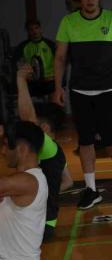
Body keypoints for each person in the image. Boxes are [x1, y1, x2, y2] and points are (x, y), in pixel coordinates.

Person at [53, 0, 112, 210]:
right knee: (85, 140)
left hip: (108, 89)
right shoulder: (68, 22)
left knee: (110, 140)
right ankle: (91, 190)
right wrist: (58, 86)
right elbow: (60, 57)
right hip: (79, 90)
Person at [16, 64, 71, 241]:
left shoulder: (47, 148)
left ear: (45, 128)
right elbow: (68, 181)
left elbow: (28, 120)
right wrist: (44, 193)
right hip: (46, 224)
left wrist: (20, 80)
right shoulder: (55, 151)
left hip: (38, 226)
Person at [0, 121, 49, 260]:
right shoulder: (24, 179)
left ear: (21, 149)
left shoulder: (28, 181)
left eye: (6, 145)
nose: (3, 151)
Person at [12, 19, 57, 98]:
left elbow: (60, 62)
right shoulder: (22, 47)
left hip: (50, 82)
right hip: (32, 84)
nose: (34, 31)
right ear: (28, 32)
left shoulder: (50, 45)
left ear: (40, 29)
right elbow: (17, 64)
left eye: (36, 28)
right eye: (31, 29)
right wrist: (26, 75)